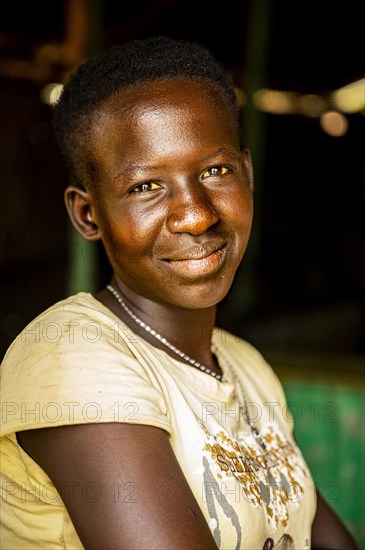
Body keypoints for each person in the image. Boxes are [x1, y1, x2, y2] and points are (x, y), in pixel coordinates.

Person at [0, 36, 358, 550]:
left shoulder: (245, 365)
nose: (197, 213)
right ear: (88, 214)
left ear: (248, 175)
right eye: (146, 186)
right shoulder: (72, 358)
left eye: (215, 171)